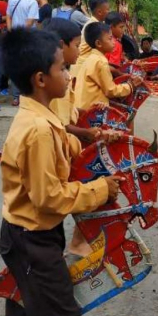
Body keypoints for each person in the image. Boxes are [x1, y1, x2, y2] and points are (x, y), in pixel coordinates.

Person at [0, 27, 122, 316]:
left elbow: (63, 144)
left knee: (24, 310)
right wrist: (100, 189)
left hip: (28, 236)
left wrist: (92, 139)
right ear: (41, 79)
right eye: (62, 68)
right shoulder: (38, 130)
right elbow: (49, 198)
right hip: (32, 240)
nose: (69, 74)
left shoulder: (41, 117)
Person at [45, 18, 122, 257]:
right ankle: (79, 242)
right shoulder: (54, 83)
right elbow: (59, 125)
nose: (80, 50)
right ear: (60, 45)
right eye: (77, 45)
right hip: (66, 147)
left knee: (98, 180)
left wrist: (93, 129)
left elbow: (71, 112)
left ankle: (80, 239)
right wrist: (87, 132)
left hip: (76, 139)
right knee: (96, 181)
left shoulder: (69, 71)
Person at [74, 22, 143, 110]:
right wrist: (130, 86)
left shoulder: (91, 57)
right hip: (92, 110)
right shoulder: (101, 62)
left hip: (82, 105)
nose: (113, 42)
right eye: (110, 39)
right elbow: (110, 91)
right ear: (99, 43)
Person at [6, 0, 40, 107]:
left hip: (14, 38)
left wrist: (11, 33)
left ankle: (16, 98)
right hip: (27, 39)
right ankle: (26, 95)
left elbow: (8, 16)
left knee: (16, 67)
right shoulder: (32, 2)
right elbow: (30, 22)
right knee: (29, 67)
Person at [75, 0, 110, 70]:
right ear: (99, 12)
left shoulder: (94, 23)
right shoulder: (95, 27)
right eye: (107, 9)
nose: (109, 12)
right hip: (83, 66)